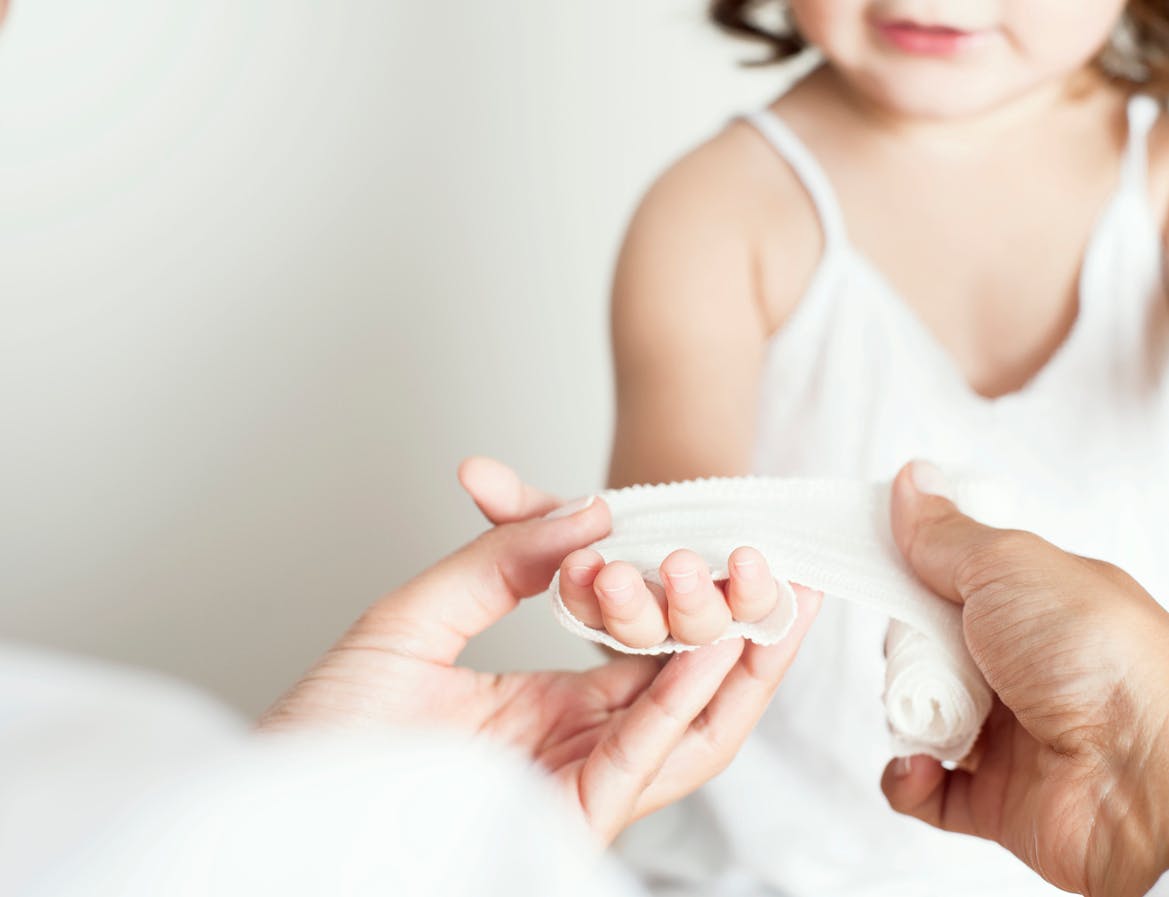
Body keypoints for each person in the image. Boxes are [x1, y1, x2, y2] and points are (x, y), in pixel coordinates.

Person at [570, 2, 1169, 893]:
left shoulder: (1153, 178)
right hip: (761, 867)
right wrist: (648, 593)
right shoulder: (720, 212)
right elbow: (654, 602)